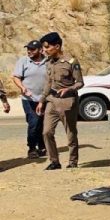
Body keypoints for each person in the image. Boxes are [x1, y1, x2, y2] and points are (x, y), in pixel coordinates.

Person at [36, 32, 83, 170]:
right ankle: (54, 162)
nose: (44, 50)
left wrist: (69, 89)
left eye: (47, 47)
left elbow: (80, 82)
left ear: (57, 46)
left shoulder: (71, 62)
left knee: (71, 134)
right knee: (46, 132)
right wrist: (41, 101)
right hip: (52, 100)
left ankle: (73, 162)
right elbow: (48, 83)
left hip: (67, 102)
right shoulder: (49, 62)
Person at [12, 40, 47, 158]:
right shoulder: (23, 61)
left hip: (44, 98)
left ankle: (42, 146)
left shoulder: (48, 62)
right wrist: (22, 87)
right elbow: (16, 77)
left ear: (40, 50)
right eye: (28, 49)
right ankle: (32, 148)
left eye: (32, 49)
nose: (29, 51)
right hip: (29, 99)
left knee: (43, 123)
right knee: (34, 122)